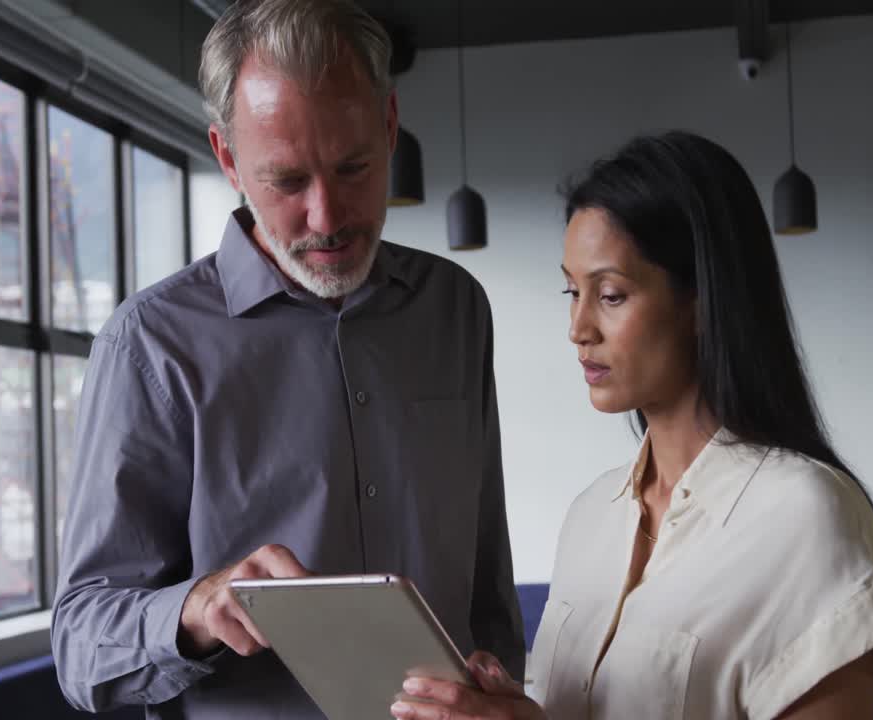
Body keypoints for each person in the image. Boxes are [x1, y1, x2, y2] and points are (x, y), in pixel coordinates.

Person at [50, 1, 524, 717]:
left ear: (390, 125)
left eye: (353, 167)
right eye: (288, 181)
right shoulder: (150, 344)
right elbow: (81, 647)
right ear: (228, 159)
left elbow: (487, 588)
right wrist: (196, 609)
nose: (327, 217)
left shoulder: (455, 308)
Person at [392, 131, 873, 720]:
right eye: (572, 291)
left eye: (611, 295)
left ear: (702, 302)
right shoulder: (591, 516)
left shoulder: (806, 516)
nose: (578, 328)